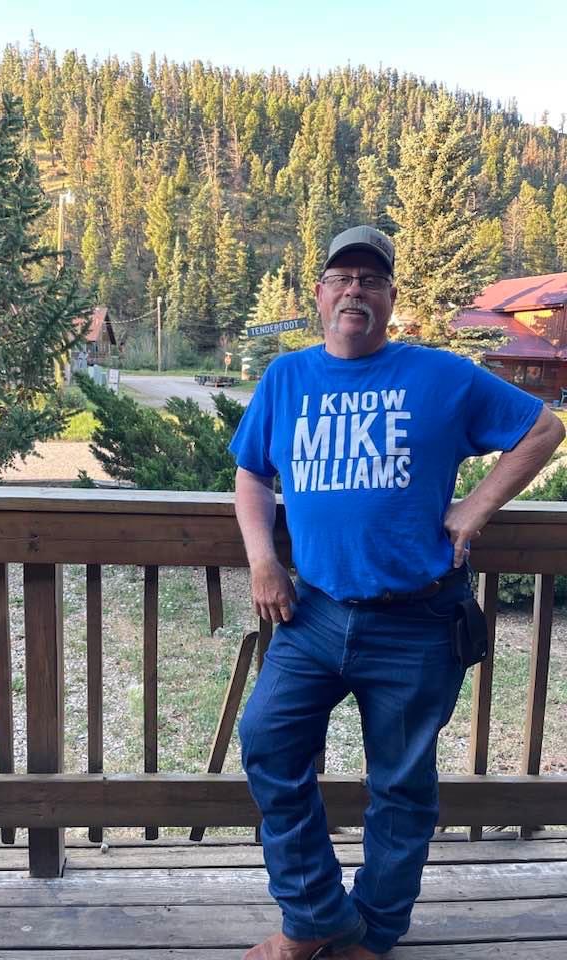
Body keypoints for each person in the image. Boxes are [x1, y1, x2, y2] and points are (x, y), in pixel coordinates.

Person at [229, 225, 565, 960]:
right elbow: (251, 472)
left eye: (372, 280)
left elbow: (543, 429)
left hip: (419, 619)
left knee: (402, 786)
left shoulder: (440, 375)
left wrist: (475, 509)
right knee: (268, 743)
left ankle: (373, 935)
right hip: (313, 613)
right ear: (319, 294)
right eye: (342, 278)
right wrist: (262, 558)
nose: (356, 290)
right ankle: (313, 917)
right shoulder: (286, 378)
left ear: (389, 298)